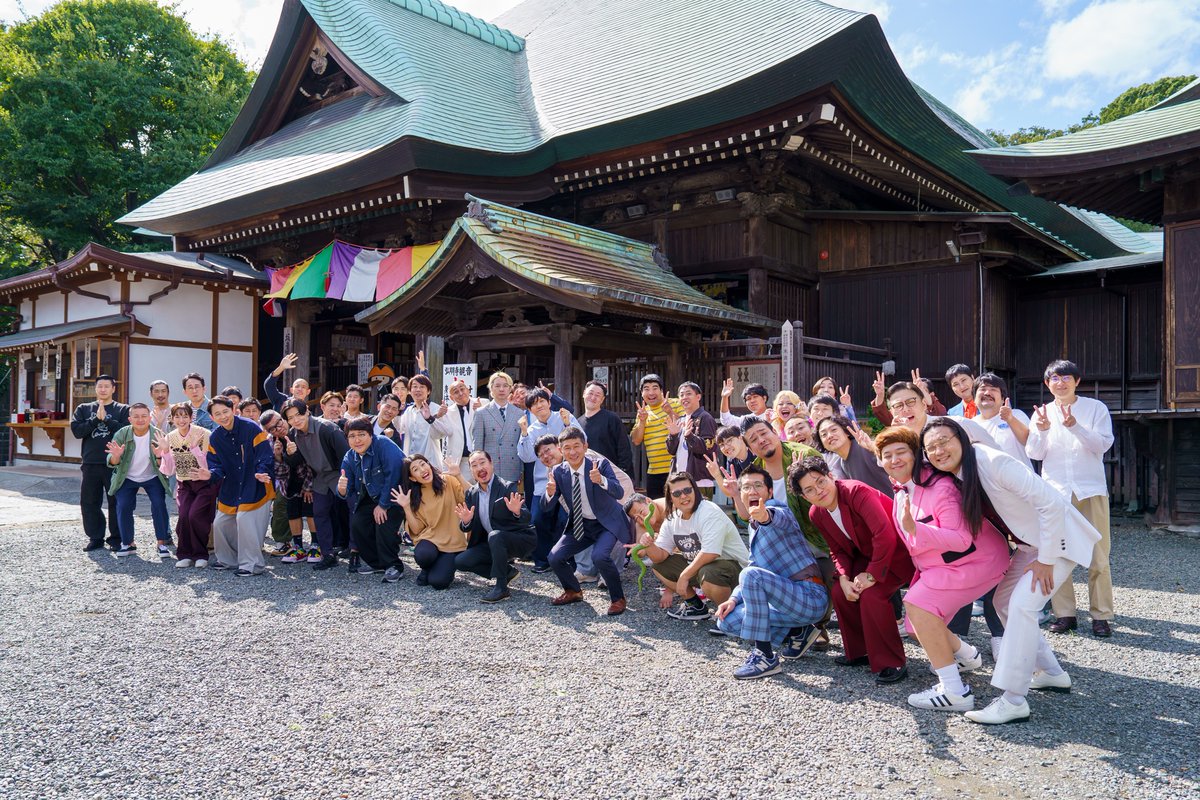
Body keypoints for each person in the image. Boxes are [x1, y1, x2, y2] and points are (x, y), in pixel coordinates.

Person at [917, 418, 1099, 725]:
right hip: (1032, 545)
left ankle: (1014, 699)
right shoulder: (960, 475)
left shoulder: (993, 461)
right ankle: (1052, 673)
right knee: (1003, 602)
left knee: (1022, 605)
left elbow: (1051, 504)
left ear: (962, 438)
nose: (938, 451)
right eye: (930, 447)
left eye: (944, 441)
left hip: (1058, 543)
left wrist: (1047, 559)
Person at [875, 426, 1010, 711]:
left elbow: (961, 539)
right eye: (887, 455)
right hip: (939, 565)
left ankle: (954, 691)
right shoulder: (903, 488)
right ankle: (966, 654)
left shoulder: (941, 488)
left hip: (976, 561)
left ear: (916, 455)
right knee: (915, 626)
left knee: (917, 606)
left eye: (901, 452)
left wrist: (916, 528)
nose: (894, 459)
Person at [794, 456, 914, 683]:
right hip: (866, 556)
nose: (818, 491)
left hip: (898, 554)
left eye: (820, 481)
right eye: (809, 489)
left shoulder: (856, 492)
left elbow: (885, 535)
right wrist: (843, 578)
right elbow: (837, 550)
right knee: (841, 593)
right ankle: (860, 652)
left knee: (872, 595)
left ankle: (893, 661)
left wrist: (870, 575)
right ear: (803, 496)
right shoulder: (816, 514)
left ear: (831, 476)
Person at [1026, 359, 1115, 638]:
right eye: (1054, 378)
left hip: (1090, 490)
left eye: (1066, 377)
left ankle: (1101, 615)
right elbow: (1035, 454)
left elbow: (1103, 445)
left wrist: (1075, 425)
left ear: (1077, 381)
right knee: (1055, 552)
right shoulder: (1042, 413)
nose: (1060, 382)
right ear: (1047, 384)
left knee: (1099, 554)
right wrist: (1040, 430)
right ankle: (1065, 614)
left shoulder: (1095, 408)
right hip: (1056, 492)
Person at [714, 467, 830, 679]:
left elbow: (777, 518)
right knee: (726, 620)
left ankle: (765, 656)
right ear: (740, 494)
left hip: (809, 596)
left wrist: (765, 515)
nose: (752, 491)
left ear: (769, 492)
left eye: (758, 486)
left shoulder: (777, 508)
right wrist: (732, 598)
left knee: (751, 576)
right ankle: (797, 632)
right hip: (785, 601)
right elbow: (753, 564)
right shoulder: (752, 526)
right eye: (746, 487)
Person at [638, 471, 749, 620]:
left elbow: (711, 553)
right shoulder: (673, 519)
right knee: (661, 566)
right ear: (670, 497)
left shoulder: (709, 512)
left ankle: (731, 615)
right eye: (677, 493)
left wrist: (684, 576)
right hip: (705, 568)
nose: (683, 496)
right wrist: (649, 545)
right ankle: (696, 607)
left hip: (736, 571)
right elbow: (660, 556)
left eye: (687, 490)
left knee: (709, 573)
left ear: (695, 490)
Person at [544, 427, 630, 615]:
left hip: (607, 523)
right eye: (567, 447)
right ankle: (573, 591)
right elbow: (547, 507)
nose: (572, 452)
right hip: (581, 524)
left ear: (585, 446)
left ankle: (618, 599)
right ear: (560, 450)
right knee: (554, 557)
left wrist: (602, 481)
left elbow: (619, 492)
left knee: (599, 556)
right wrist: (549, 494)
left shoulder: (599, 465)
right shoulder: (558, 471)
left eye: (577, 446)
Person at [202, 395, 275, 576]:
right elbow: (216, 465)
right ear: (212, 418)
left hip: (256, 483)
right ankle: (228, 560)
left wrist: (261, 470)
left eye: (225, 411)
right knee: (220, 523)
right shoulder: (215, 437)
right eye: (217, 414)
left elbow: (265, 455)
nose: (223, 416)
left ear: (233, 410)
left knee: (244, 519)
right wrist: (210, 474)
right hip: (232, 487)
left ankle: (253, 564)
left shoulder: (251, 428)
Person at [454, 450, 536, 602]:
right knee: (461, 561)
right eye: (474, 465)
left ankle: (501, 587)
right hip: (493, 543)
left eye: (483, 463)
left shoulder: (506, 487)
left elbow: (527, 518)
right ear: (471, 471)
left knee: (495, 535)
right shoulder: (472, 493)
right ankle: (507, 572)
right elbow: (466, 527)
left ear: (491, 465)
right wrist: (466, 521)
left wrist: (517, 512)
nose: (480, 468)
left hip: (517, 539)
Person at [282, 398, 349, 570]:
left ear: (307, 412)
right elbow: (296, 461)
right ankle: (327, 554)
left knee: (351, 508)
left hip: (338, 472)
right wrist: (289, 454)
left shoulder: (326, 428)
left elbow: (346, 455)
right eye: (290, 418)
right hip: (319, 476)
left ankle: (355, 551)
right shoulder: (293, 434)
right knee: (319, 513)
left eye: (298, 414)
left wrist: (348, 478)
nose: (295, 420)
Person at [518, 389, 582, 569]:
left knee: (566, 519)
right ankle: (542, 560)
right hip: (543, 483)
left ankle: (567, 559)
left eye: (542, 401)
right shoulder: (531, 429)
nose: (539, 406)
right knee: (537, 519)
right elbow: (526, 457)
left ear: (549, 402)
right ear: (530, 410)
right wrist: (523, 433)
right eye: (534, 404)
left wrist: (569, 423)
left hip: (569, 480)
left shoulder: (563, 417)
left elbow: (582, 439)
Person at [338, 417, 407, 581]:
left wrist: (383, 505)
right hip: (370, 497)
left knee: (383, 523)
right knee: (358, 524)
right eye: (352, 436)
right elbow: (347, 486)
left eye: (361, 434)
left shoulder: (383, 444)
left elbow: (395, 475)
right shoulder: (350, 456)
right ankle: (376, 563)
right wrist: (341, 489)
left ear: (370, 434)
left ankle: (394, 565)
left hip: (395, 495)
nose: (357, 440)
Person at [71, 374, 130, 551]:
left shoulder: (123, 409)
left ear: (114, 388)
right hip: (90, 463)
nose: (103, 389)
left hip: (115, 463)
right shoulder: (83, 408)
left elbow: (126, 432)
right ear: (96, 389)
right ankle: (95, 537)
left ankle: (116, 538)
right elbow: (77, 431)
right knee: (89, 501)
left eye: (106, 386)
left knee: (116, 502)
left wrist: (107, 420)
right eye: (100, 386)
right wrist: (96, 419)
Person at [105, 403, 172, 558]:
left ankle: (161, 543)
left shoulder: (157, 434)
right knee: (123, 505)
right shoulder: (122, 434)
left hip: (152, 476)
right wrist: (116, 456)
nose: (140, 419)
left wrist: (159, 455)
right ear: (130, 419)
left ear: (149, 418)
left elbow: (165, 464)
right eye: (136, 416)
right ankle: (128, 543)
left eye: (144, 416)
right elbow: (111, 461)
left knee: (159, 504)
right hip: (127, 476)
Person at [392, 454, 467, 589]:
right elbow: (416, 530)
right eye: (415, 469)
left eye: (423, 464)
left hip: (453, 542)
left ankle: (436, 567)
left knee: (438, 583)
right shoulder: (415, 496)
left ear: (429, 464)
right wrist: (406, 507)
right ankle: (427, 567)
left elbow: (471, 497)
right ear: (412, 478)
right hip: (431, 539)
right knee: (423, 555)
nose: (422, 470)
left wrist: (459, 476)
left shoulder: (449, 481)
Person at [158, 402, 217, 568]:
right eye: (177, 416)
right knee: (184, 516)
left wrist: (195, 449)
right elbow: (168, 470)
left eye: (185, 416)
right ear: (172, 419)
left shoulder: (204, 434)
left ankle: (200, 554)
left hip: (205, 483)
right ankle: (184, 554)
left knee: (195, 515)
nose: (181, 419)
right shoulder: (170, 437)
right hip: (184, 483)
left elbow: (207, 466)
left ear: (192, 417)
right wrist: (165, 451)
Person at [260, 410, 316, 561]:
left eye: (279, 422)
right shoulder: (272, 441)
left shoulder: (299, 432)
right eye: (272, 428)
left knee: (310, 511)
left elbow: (312, 463)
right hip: (290, 484)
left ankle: (316, 545)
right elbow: (280, 474)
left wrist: (308, 486)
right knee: (292, 512)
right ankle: (298, 547)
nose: (278, 427)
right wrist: (278, 456)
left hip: (311, 480)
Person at [629, 373, 683, 499]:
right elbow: (636, 440)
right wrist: (642, 421)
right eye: (646, 389)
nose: (651, 392)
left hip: (676, 469)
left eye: (655, 388)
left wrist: (670, 412)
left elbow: (685, 426)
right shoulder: (643, 412)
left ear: (661, 391)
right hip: (654, 472)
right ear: (642, 393)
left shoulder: (674, 403)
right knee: (658, 510)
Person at [815, 415, 892, 495]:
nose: (829, 436)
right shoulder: (842, 463)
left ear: (846, 432)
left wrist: (874, 448)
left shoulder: (864, 447)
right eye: (824, 435)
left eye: (834, 430)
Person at [665, 381, 718, 496]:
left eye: (688, 394)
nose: (684, 397)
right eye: (681, 395)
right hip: (680, 479)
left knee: (701, 513)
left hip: (699, 481)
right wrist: (673, 435)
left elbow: (707, 448)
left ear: (698, 397)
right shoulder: (680, 420)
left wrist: (690, 436)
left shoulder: (705, 418)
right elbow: (671, 451)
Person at [472, 371, 524, 485]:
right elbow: (478, 445)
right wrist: (478, 469)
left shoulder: (519, 413)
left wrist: (520, 470)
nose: (501, 389)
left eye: (505, 386)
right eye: (497, 386)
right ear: (491, 389)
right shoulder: (481, 413)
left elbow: (521, 444)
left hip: (512, 467)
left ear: (510, 389)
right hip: (490, 469)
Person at [972, 374, 1031, 469]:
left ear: (1003, 399)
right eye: (982, 389)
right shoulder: (971, 424)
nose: (987, 393)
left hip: (1020, 480)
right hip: (988, 482)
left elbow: (1029, 442)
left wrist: (1010, 419)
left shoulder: (1016, 415)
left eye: (993, 389)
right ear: (974, 398)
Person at [578, 380, 634, 477]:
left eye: (597, 395)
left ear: (602, 399)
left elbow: (623, 448)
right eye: (590, 393)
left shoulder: (612, 419)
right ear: (584, 394)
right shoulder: (578, 422)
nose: (593, 397)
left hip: (610, 475)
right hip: (586, 475)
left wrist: (623, 473)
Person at [432, 378, 476, 480]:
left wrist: (480, 409)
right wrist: (437, 416)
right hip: (460, 461)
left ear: (468, 390)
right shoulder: (447, 412)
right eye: (456, 392)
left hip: (480, 459)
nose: (460, 393)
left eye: (462, 389)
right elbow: (436, 435)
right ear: (451, 398)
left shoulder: (482, 404)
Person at [871, 369, 946, 425]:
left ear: (924, 404)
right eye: (898, 405)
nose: (905, 409)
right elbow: (881, 413)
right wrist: (880, 395)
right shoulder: (896, 422)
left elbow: (938, 412)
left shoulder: (936, 419)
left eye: (910, 402)